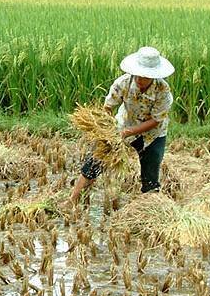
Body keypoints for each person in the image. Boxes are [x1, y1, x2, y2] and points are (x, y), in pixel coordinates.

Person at [68, 46, 174, 206]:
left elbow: (156, 120)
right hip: (123, 124)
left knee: (150, 176)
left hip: (153, 135)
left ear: (153, 76)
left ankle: (150, 209)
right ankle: (74, 200)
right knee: (95, 161)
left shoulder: (163, 91)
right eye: (137, 75)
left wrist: (128, 132)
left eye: (145, 77)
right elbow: (108, 107)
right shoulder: (123, 83)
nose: (139, 79)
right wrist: (106, 127)